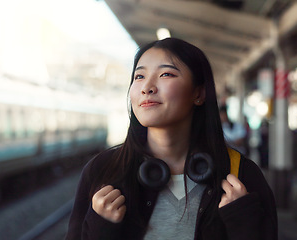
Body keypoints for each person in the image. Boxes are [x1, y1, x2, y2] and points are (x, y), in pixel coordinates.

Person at [65, 38, 278, 240]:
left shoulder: (240, 174)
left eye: (166, 74)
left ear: (199, 93)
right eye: (139, 77)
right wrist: (101, 229)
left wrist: (244, 224)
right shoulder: (102, 170)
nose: (147, 87)